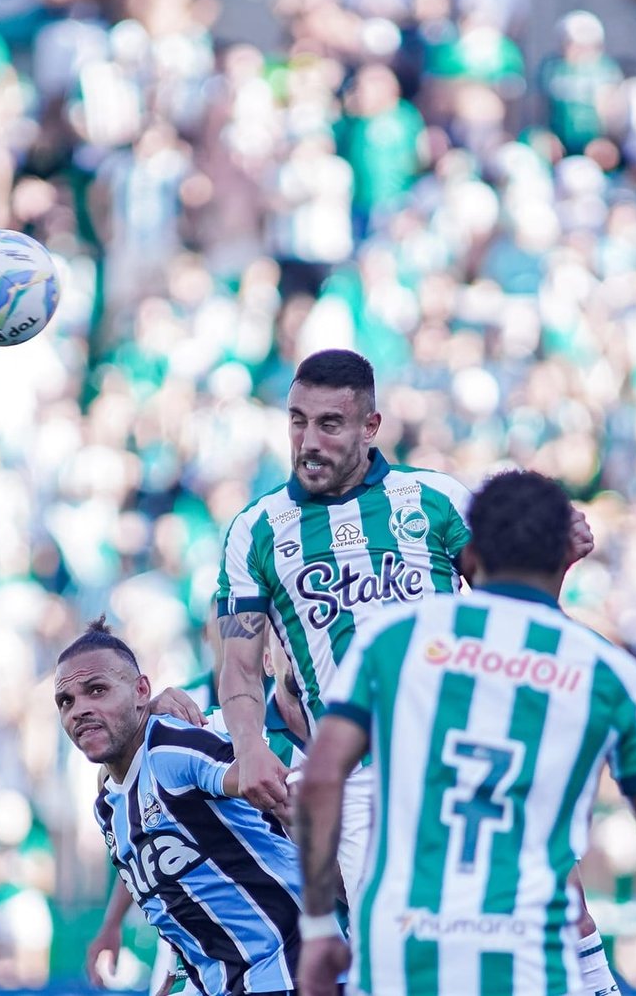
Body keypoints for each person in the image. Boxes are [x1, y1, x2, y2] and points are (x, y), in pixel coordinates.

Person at [294, 470, 636, 996]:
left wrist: (318, 925)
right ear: (564, 555)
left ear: (472, 552)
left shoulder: (395, 641)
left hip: (401, 953)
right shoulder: (606, 673)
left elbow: (321, 778)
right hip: (526, 958)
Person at [215, 350, 594, 912]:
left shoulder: (438, 498)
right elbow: (240, 668)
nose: (309, 441)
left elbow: (513, 619)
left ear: (370, 427)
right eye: (297, 421)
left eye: (330, 424)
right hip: (356, 782)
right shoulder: (256, 530)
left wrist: (553, 568)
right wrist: (248, 746)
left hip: (465, 750)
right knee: (403, 947)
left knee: (549, 915)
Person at [55, 617, 312, 996]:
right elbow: (172, 881)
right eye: (66, 701)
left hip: (290, 971)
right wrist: (176, 967)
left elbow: (257, 778)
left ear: (142, 691)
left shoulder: (172, 745)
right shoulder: (108, 801)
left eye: (97, 690)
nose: (79, 709)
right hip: (221, 981)